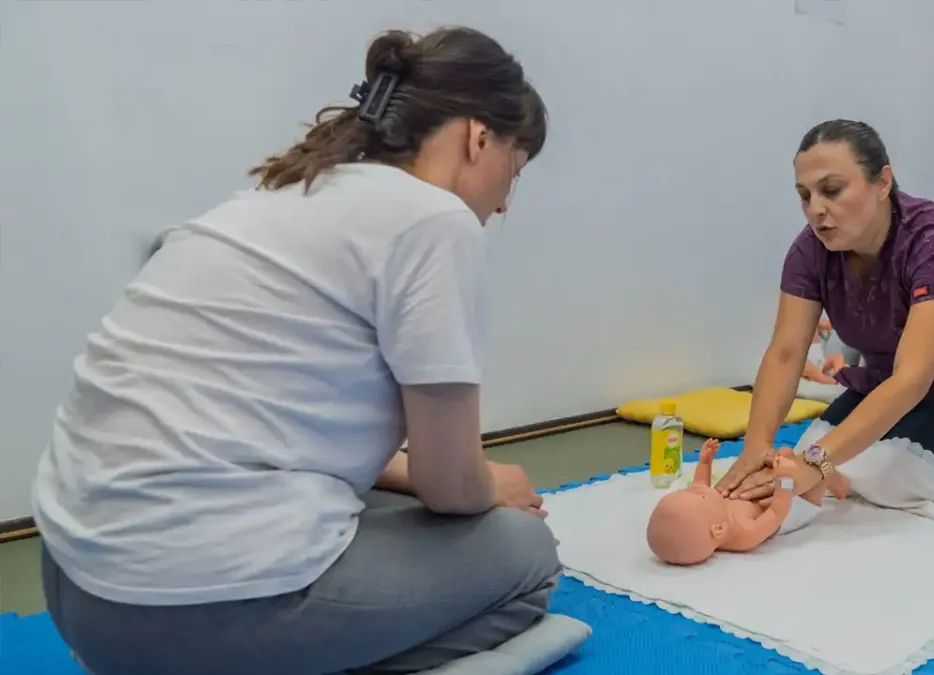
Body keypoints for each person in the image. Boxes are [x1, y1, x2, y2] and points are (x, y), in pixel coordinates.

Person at [32, 27, 561, 675]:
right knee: (525, 553)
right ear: (479, 138)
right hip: (174, 611)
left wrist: (449, 481)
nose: (505, 202)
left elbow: (284, 432)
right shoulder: (433, 220)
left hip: (73, 583)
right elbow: (451, 484)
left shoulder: (282, 191)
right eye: (514, 170)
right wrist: (491, 483)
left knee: (402, 505)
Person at [714, 119, 934, 504]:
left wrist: (814, 465)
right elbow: (785, 352)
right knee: (810, 453)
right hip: (884, 384)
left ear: (882, 182)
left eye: (832, 190)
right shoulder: (810, 251)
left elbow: (913, 377)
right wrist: (757, 447)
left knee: (887, 477)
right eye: (804, 195)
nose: (815, 210)